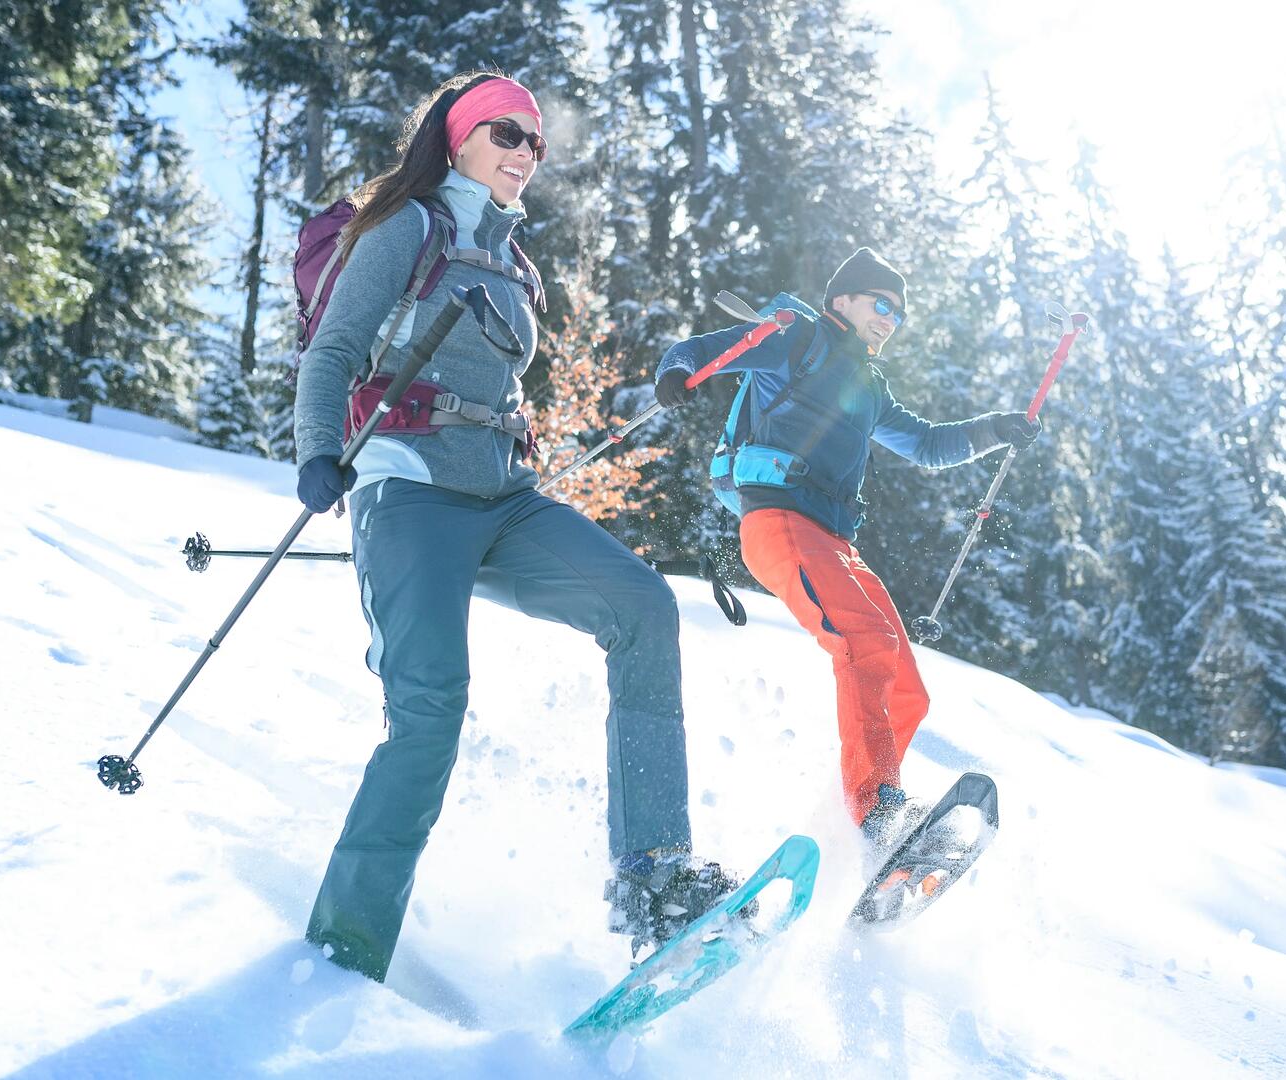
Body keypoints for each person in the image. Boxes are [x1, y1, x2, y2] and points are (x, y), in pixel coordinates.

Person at [293, 71, 736, 981]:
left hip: (501, 498)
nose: (525, 154)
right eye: (507, 133)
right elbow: (334, 347)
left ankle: (653, 873)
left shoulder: (515, 262)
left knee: (644, 610)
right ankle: (344, 950)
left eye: (536, 141)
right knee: (429, 714)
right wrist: (315, 449)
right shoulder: (408, 228)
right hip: (408, 491)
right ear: (457, 137)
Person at [652, 248, 1039, 855]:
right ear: (844, 299)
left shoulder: (869, 384)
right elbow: (697, 350)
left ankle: (866, 821)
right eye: (882, 305)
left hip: (834, 542)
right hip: (779, 521)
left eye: (900, 315)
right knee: (861, 646)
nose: (891, 320)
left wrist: (995, 428)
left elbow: (929, 446)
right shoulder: (795, 337)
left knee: (906, 683)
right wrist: (674, 374)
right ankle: (878, 811)